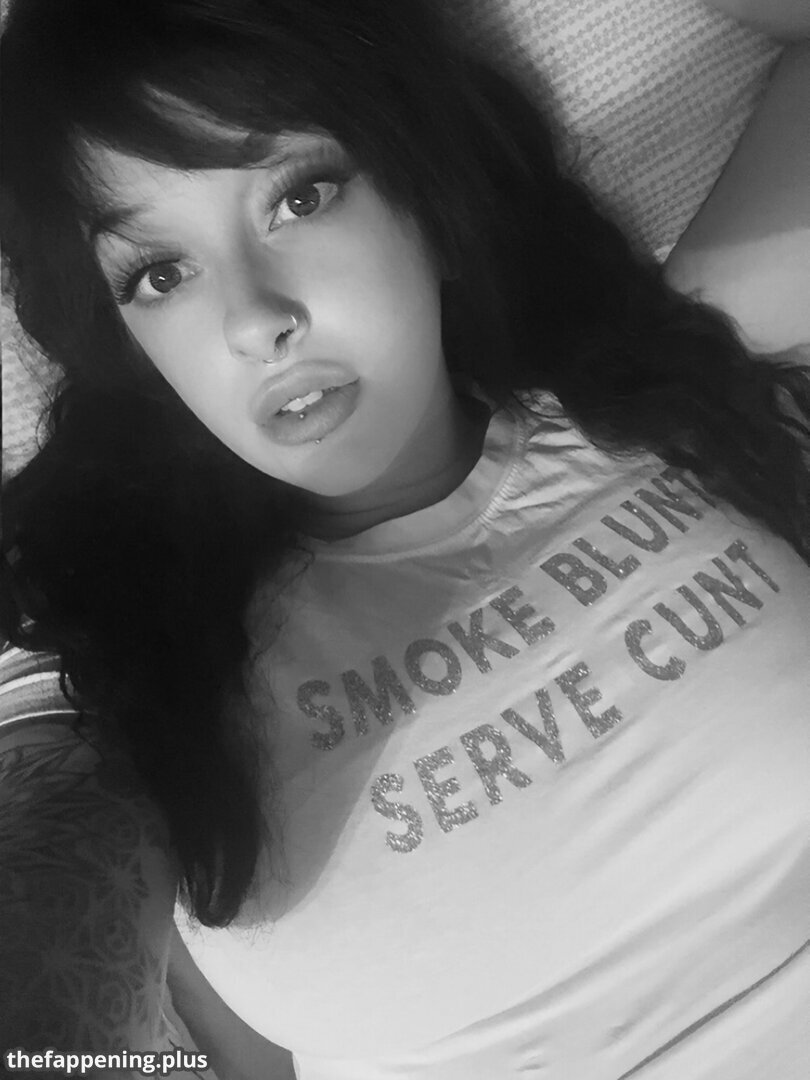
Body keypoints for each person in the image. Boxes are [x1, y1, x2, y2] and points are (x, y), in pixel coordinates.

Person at [1, 1, 809, 1077]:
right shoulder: (123, 675)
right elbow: (48, 969)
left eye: (300, 196)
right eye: (160, 273)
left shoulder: (670, 389)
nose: (254, 321)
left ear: (424, 193)